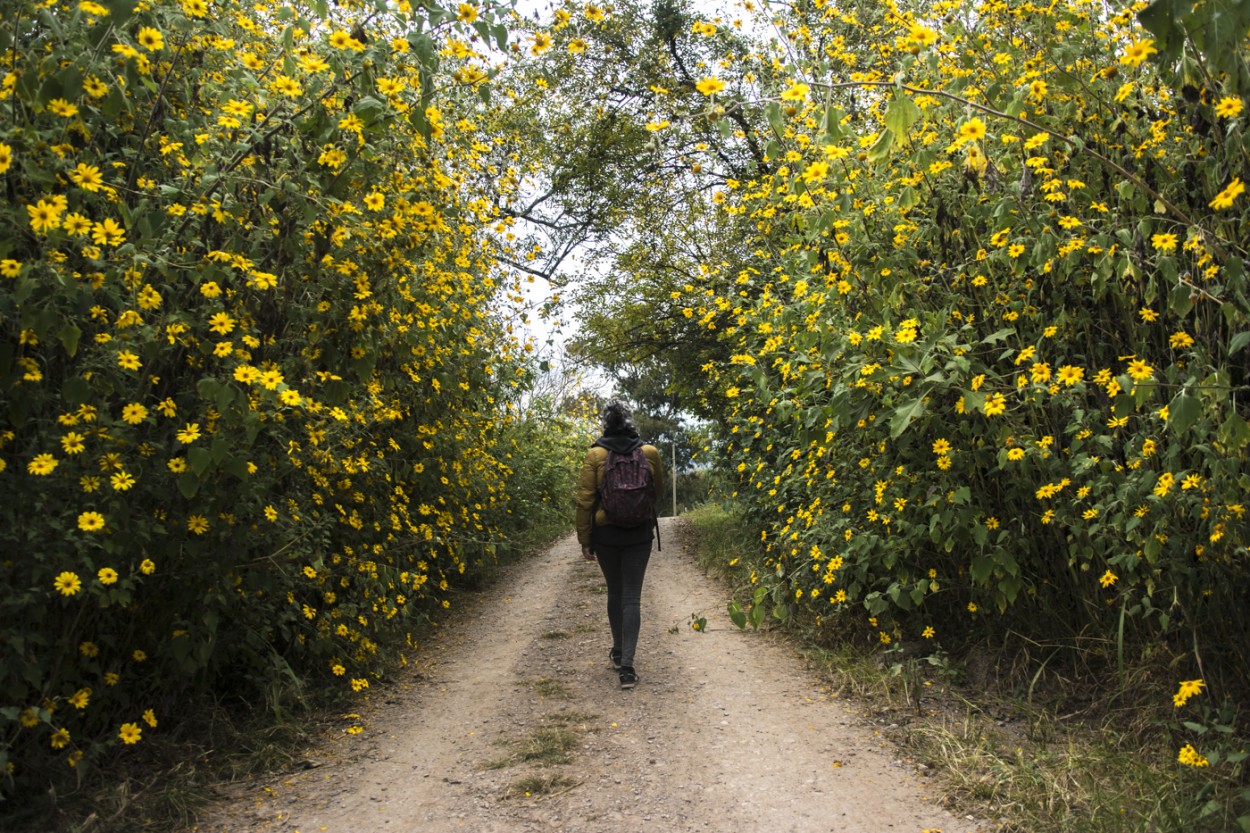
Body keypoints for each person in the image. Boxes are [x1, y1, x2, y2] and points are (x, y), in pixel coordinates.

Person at [576, 401, 664, 690]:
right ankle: (627, 666)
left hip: (607, 535)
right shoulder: (649, 453)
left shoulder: (595, 454)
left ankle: (617, 650)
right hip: (639, 535)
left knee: (615, 592)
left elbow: (586, 500)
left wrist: (585, 539)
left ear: (605, 422)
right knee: (632, 598)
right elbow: (657, 492)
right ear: (631, 422)